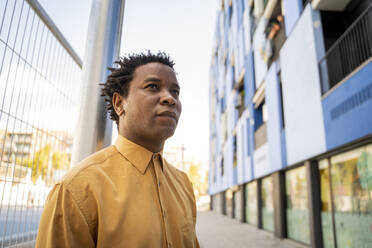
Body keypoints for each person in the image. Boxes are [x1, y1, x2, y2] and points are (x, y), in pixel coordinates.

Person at [36, 51, 200, 248]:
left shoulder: (183, 184)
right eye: (153, 87)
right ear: (119, 103)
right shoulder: (76, 189)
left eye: (175, 92)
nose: (169, 98)